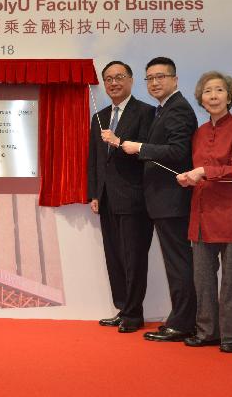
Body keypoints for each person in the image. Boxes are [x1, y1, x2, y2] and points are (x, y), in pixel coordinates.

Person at [109, 56, 198, 342]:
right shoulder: (164, 109)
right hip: (161, 200)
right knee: (175, 263)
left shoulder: (179, 110)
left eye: (161, 77)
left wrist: (139, 147)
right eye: (151, 78)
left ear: (174, 79)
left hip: (172, 200)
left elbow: (178, 152)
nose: (155, 83)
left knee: (179, 263)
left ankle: (183, 323)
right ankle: (179, 318)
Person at [175, 71, 232, 353]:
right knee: (202, 277)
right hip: (201, 212)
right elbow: (199, 170)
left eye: (219, 90)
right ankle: (207, 331)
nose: (213, 95)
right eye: (208, 91)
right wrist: (189, 177)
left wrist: (203, 171)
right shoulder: (198, 133)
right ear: (201, 98)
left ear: (229, 96)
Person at [88, 61, 155, 333]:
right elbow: (94, 159)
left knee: (133, 257)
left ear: (130, 80)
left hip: (134, 198)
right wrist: (94, 193)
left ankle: (134, 313)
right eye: (108, 79)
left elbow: (150, 153)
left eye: (119, 77)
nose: (113, 83)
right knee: (114, 256)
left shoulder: (147, 113)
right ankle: (122, 307)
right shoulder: (100, 116)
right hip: (106, 199)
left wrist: (118, 141)